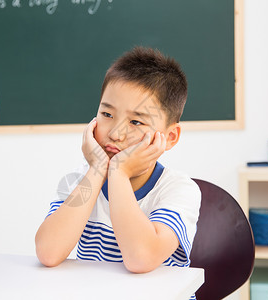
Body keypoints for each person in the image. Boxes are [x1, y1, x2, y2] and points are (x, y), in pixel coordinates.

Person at [35, 47, 201, 276]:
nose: (115, 134)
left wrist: (119, 174)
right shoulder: (80, 183)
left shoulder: (179, 190)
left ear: (170, 137)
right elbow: (48, 252)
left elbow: (140, 258)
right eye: (107, 115)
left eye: (136, 122)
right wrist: (96, 170)